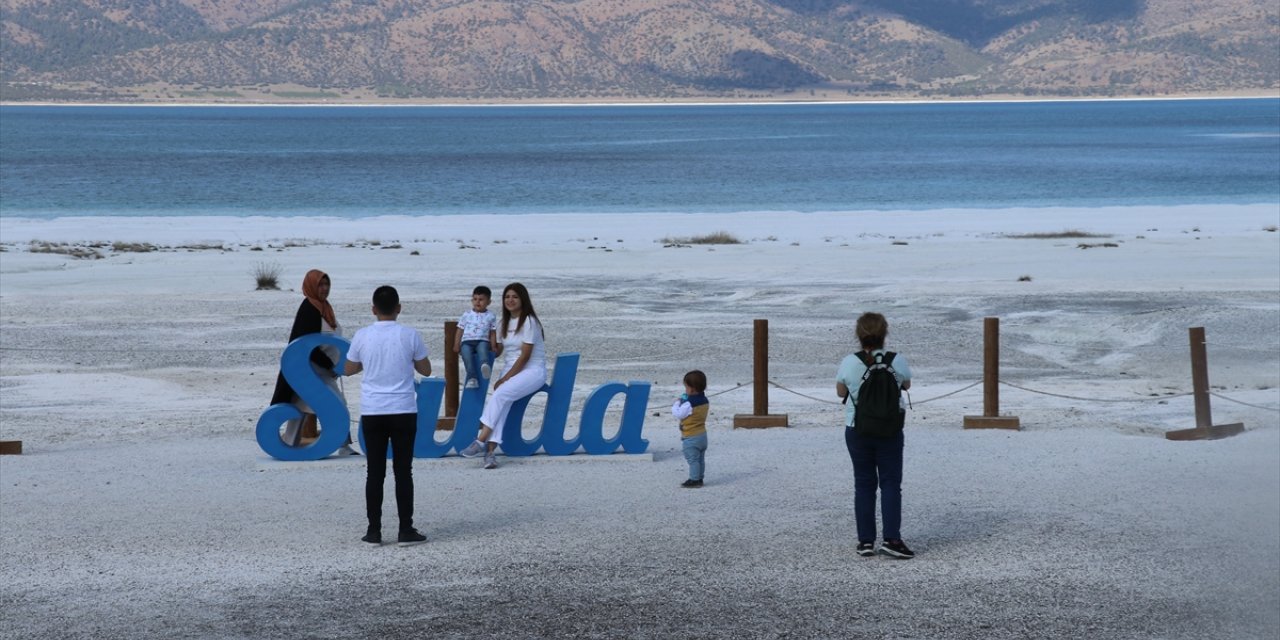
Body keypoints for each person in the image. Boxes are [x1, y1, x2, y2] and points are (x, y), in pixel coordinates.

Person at [343, 285, 432, 546]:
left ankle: (374, 531)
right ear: (398, 308)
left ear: (373, 309)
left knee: (375, 472)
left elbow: (349, 368)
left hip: (373, 410)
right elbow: (425, 369)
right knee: (403, 471)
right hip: (403, 408)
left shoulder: (362, 336)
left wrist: (367, 363)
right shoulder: (409, 334)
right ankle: (406, 529)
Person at [836, 312, 914, 559]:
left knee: (864, 484)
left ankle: (866, 541)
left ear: (858, 334)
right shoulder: (896, 360)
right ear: (885, 333)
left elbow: (840, 392)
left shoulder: (849, 362)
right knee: (891, 483)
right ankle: (892, 538)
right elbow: (907, 385)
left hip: (857, 427)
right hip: (890, 428)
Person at [269, 269, 358, 455]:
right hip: (311, 371)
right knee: (336, 404)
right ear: (311, 286)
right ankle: (342, 446)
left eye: (327, 284)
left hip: (320, 371)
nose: (325, 288)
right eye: (320, 284)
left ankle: (289, 443)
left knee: (301, 405)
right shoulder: (309, 309)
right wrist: (330, 364)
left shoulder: (323, 307)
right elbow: (307, 345)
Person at [458, 282, 546, 470]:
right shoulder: (501, 323)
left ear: (523, 299)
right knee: (501, 404)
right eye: (507, 297)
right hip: (510, 369)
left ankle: (480, 440)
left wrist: (505, 379)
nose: (510, 300)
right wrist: (473, 347)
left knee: (501, 394)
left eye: (514, 296)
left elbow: (525, 357)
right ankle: (490, 454)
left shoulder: (529, 321)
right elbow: (496, 350)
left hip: (532, 370)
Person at [453, 285, 498, 389]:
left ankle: (485, 366)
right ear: (472, 300)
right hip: (467, 342)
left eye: (481, 300)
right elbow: (460, 330)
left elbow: (492, 332)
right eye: (475, 299)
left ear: (488, 302)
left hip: (482, 340)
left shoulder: (491, 316)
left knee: (483, 352)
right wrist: (456, 344)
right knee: (467, 357)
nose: (478, 302)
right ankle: (472, 378)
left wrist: (493, 345)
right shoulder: (466, 314)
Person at [671, 370, 709, 488]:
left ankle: (694, 479)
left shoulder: (688, 404)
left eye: (686, 387)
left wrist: (677, 403)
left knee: (693, 459)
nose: (685, 390)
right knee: (700, 459)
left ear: (691, 389)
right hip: (702, 435)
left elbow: (678, 414)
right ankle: (700, 477)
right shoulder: (705, 400)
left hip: (691, 437)